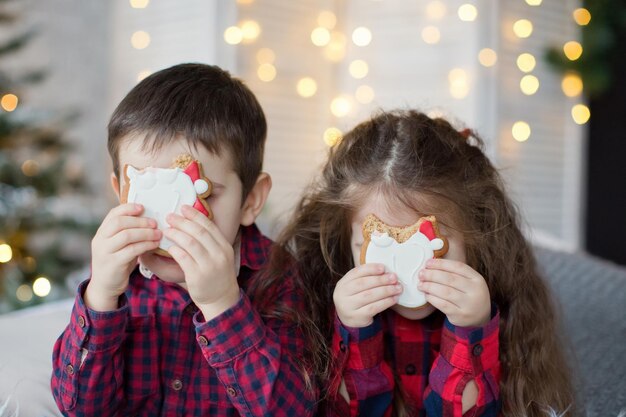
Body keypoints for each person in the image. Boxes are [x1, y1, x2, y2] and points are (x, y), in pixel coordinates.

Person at [270, 110, 576, 416]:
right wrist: (354, 330)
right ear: (346, 241)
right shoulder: (318, 306)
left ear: (476, 237)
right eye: (375, 248)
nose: (407, 275)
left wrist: (471, 327)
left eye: (431, 250)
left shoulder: (502, 311)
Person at [51, 63, 316, 416]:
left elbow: (293, 411)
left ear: (250, 199)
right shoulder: (118, 283)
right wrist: (100, 296)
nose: (172, 223)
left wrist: (223, 304)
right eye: (147, 195)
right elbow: (80, 408)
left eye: (204, 196)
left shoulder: (282, 282)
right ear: (120, 192)